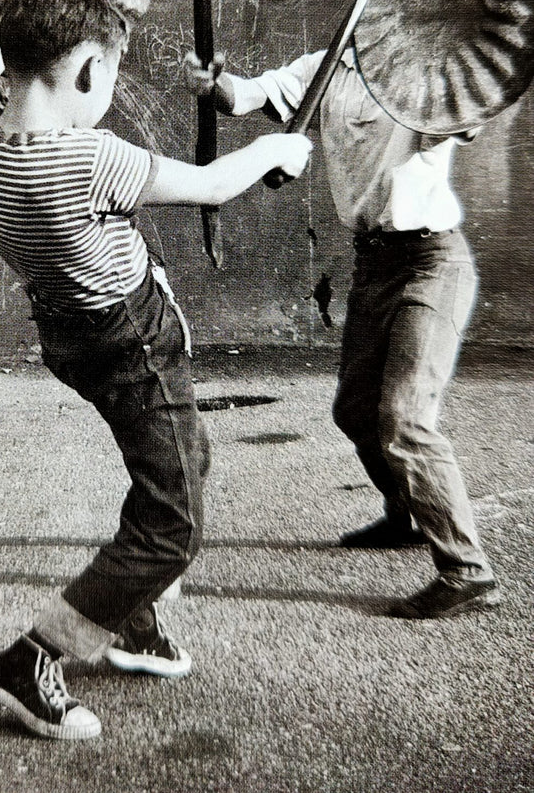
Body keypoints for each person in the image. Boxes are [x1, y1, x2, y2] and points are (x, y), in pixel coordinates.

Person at [0, 0, 311, 741]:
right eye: (108, 76)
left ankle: (130, 612)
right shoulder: (85, 157)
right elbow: (213, 183)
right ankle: (34, 657)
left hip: (71, 335)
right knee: (177, 522)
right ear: (84, 71)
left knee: (179, 466)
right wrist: (277, 149)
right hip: (132, 343)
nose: (108, 93)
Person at [182, 33, 501, 622]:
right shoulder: (327, 65)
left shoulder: (423, 71)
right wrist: (214, 83)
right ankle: (403, 516)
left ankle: (467, 568)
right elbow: (244, 97)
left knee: (403, 420)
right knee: (355, 410)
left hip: (433, 263)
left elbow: (469, 112)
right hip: (374, 263)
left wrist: (456, 87)